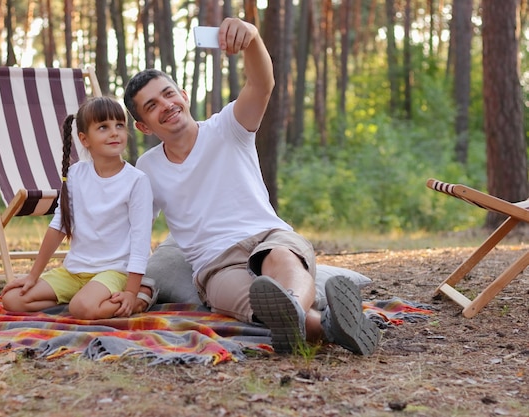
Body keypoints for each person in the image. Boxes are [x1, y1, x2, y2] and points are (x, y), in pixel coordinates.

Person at [124, 18, 380, 355]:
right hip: (216, 264)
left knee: (281, 262)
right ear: (143, 126)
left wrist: (253, 38)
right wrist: (116, 284)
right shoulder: (148, 167)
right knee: (258, 301)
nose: (166, 106)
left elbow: (261, 84)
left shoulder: (228, 126)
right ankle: (330, 326)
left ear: (183, 95)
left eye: (168, 94)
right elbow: (134, 228)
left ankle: (300, 313)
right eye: (152, 106)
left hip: (267, 236)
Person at [1, 96, 156, 319]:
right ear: (84, 139)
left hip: (114, 271)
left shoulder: (137, 181)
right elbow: (58, 226)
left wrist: (131, 292)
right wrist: (33, 275)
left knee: (82, 308)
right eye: (103, 127)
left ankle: (140, 298)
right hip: (74, 271)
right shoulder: (75, 174)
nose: (114, 132)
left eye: (119, 125)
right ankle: (83, 298)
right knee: (13, 299)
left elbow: (141, 241)